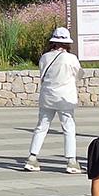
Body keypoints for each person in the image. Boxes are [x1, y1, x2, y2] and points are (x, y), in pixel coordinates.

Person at [25, 27, 83, 174]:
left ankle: (32, 157)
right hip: (65, 97)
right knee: (68, 128)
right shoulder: (71, 58)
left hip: (47, 96)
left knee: (41, 126)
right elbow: (79, 74)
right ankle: (71, 161)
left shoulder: (45, 57)